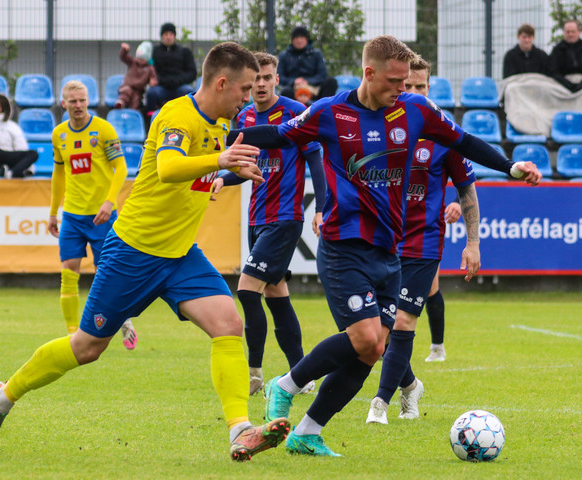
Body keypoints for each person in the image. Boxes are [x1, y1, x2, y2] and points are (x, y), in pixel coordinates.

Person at [0, 42, 291, 462]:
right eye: (245, 89)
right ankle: (2, 397)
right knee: (87, 347)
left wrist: (227, 169)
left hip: (180, 255)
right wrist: (220, 159)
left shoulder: (219, 124)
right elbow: (168, 167)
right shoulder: (177, 115)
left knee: (229, 324)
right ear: (221, 83)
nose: (248, 98)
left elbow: (200, 167)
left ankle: (240, 430)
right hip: (134, 252)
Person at [229, 34, 541, 457]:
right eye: (394, 81)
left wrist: (509, 165)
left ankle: (307, 432)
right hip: (343, 245)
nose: (402, 88)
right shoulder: (329, 112)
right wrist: (224, 137)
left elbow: (463, 141)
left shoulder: (415, 111)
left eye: (406, 80)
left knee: (375, 347)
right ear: (369, 73)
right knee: (364, 338)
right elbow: (278, 134)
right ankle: (286, 385)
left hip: (389, 250)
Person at [366, 56, 481, 425]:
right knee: (375, 329)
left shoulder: (445, 134)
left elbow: (467, 189)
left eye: (421, 87)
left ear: (429, 88)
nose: (413, 92)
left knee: (402, 320)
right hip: (382, 239)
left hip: (423, 243)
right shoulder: (380, 126)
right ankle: (411, 385)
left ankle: (380, 404)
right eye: (408, 86)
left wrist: (473, 243)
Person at [211, 52, 326, 396]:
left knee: (247, 290)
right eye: (255, 79)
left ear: (277, 79)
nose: (260, 84)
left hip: (284, 218)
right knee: (276, 295)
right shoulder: (244, 116)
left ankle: (254, 373)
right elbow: (245, 170)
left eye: (266, 78)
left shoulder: (295, 113)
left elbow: (315, 161)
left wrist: (321, 207)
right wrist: (223, 178)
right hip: (256, 218)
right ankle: (302, 375)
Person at [49, 79, 137, 349]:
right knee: (68, 271)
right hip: (73, 215)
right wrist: (53, 212)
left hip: (102, 215)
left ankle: (123, 320)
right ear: (63, 104)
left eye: (82, 100)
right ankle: (72, 335)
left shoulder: (103, 130)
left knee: (106, 273)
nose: (78, 105)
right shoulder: (59, 134)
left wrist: (109, 202)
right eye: (73, 101)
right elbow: (59, 173)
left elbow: (121, 168)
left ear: (88, 101)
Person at [424, 197, 462, 363]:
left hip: (426, 228)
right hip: (395, 223)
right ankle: (384, 345)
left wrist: (457, 201)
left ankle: (437, 347)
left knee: (431, 289)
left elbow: (466, 184)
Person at [145, 22, 197, 112]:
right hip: (161, 87)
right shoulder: (154, 52)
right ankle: (150, 118)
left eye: (171, 34)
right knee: (151, 93)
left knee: (190, 92)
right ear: (162, 36)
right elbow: (148, 69)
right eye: (166, 34)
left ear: (174, 36)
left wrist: (178, 80)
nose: (168, 37)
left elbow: (192, 73)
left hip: (180, 86)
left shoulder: (184, 51)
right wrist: (155, 80)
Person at [277, 26, 337, 102]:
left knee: (331, 81)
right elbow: (280, 77)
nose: (299, 40)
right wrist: (294, 81)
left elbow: (322, 74)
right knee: (285, 91)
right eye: (296, 38)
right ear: (292, 40)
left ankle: (324, 106)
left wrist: (307, 81)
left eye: (302, 37)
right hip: (293, 90)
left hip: (314, 89)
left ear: (307, 39)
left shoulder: (316, 54)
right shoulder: (283, 55)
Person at [115, 41, 158, 109]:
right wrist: (124, 50)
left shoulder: (150, 68)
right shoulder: (132, 62)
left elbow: (153, 77)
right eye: (138, 58)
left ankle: (133, 111)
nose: (139, 61)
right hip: (128, 85)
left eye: (142, 59)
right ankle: (120, 103)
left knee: (136, 99)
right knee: (126, 92)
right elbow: (123, 57)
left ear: (147, 59)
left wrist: (153, 81)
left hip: (139, 90)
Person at [549, 19, 582, 92]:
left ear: (579, 32)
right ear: (563, 33)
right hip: (562, 86)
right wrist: (569, 85)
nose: (570, 34)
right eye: (568, 32)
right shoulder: (557, 50)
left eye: (573, 31)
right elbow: (554, 72)